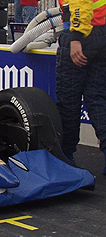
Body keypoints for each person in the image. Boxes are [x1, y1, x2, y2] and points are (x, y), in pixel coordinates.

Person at [55, 0, 106, 174]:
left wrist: (75, 38)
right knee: (98, 98)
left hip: (81, 34)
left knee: (68, 99)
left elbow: (79, 4)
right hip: (102, 35)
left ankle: (67, 157)